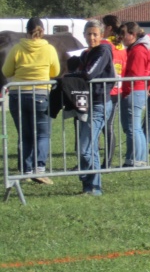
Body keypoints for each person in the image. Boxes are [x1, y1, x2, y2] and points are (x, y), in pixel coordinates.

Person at [1, 17, 60, 184]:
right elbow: (55, 71)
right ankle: (39, 169)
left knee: (25, 135)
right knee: (42, 134)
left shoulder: (17, 48)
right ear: (42, 31)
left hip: (17, 95)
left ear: (26, 32)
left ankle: (26, 170)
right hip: (40, 94)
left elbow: (6, 71)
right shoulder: (49, 49)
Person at [72, 20, 115, 195]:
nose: (91, 37)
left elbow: (89, 74)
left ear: (101, 35)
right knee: (90, 149)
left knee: (85, 148)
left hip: (100, 104)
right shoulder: (85, 53)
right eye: (88, 34)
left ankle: (89, 180)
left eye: (95, 34)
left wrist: (72, 74)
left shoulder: (103, 50)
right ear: (83, 35)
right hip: (86, 103)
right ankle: (92, 187)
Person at [119, 22, 150, 167]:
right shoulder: (141, 48)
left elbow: (135, 74)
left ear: (132, 35)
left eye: (123, 34)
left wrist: (125, 91)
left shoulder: (138, 50)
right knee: (136, 127)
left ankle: (134, 159)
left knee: (132, 128)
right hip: (138, 90)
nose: (121, 37)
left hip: (134, 90)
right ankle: (139, 159)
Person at [101, 15, 128, 168]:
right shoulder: (121, 46)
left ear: (109, 28)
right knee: (108, 125)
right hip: (117, 89)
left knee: (102, 126)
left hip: (105, 89)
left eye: (102, 27)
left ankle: (104, 162)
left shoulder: (105, 44)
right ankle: (107, 162)